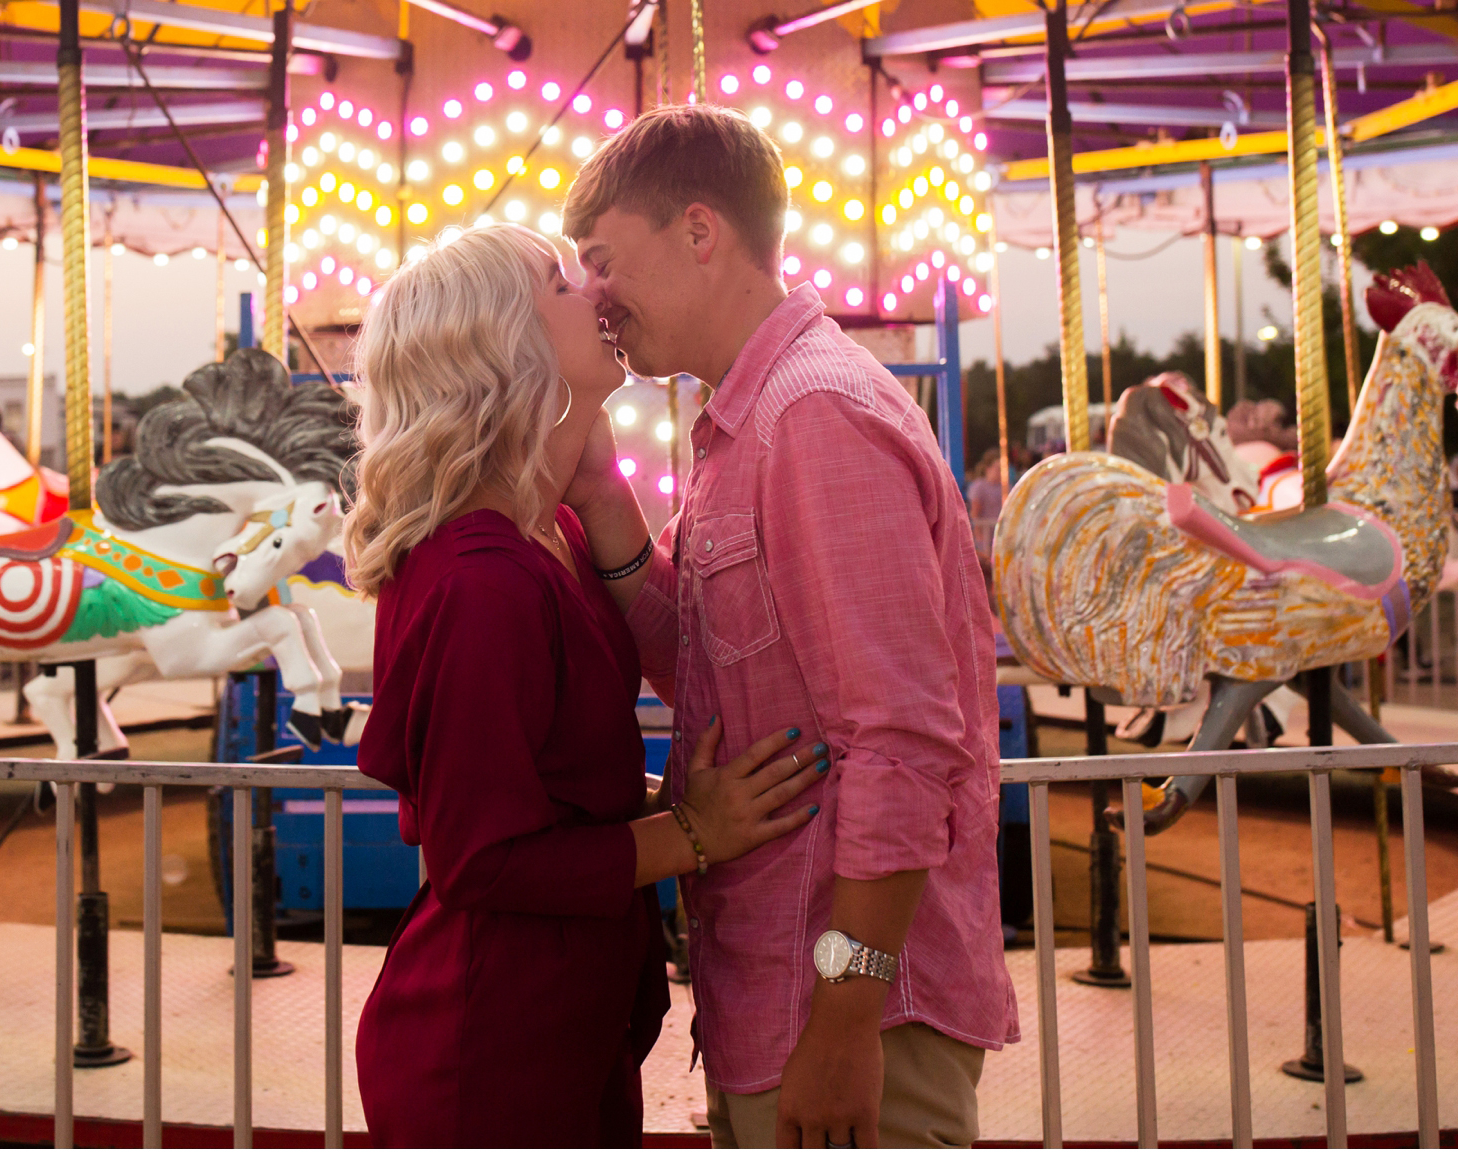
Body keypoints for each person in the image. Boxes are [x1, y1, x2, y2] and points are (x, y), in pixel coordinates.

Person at [561, 105, 1018, 1148]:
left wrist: (847, 1015)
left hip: (850, 1007)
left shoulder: (813, 415)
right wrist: (603, 497)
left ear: (698, 229)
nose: (596, 297)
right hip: (780, 984)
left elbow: (901, 740)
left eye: (602, 259)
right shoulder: (744, 421)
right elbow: (708, 665)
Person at [346, 223, 826, 1148]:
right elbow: (480, 856)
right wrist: (690, 832)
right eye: (562, 284)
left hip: (565, 1024)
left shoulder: (548, 534)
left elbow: (565, 773)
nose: (598, 293)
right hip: (494, 1050)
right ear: (501, 344)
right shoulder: (481, 579)